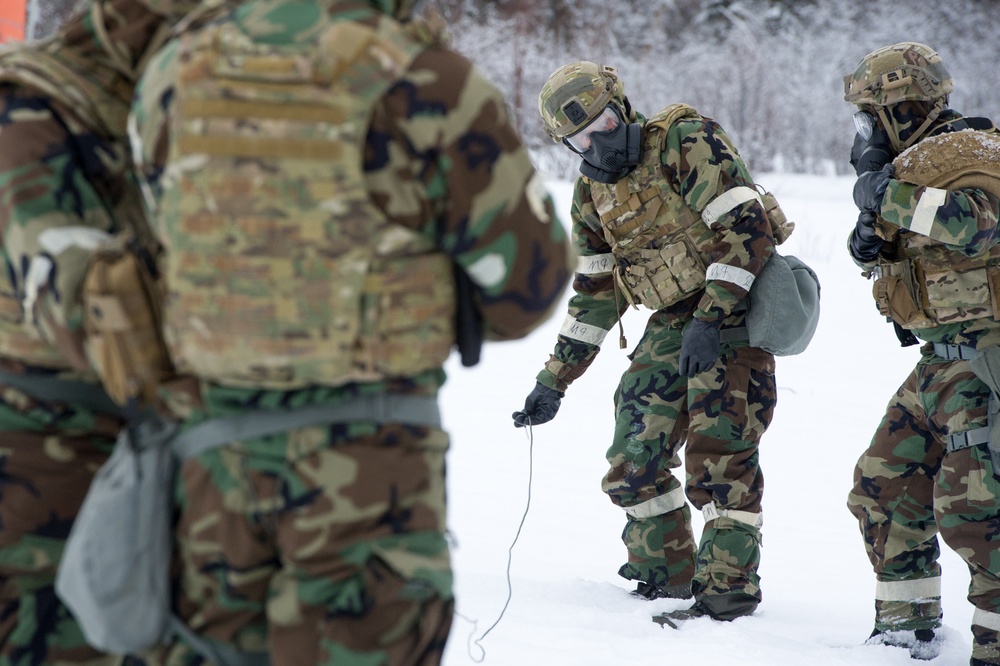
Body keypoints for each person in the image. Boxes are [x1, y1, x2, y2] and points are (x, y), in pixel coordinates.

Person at [125, 0, 573, 663]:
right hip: (368, 466)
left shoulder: (171, 70)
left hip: (209, 466)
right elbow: (528, 285)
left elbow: (156, 242)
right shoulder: (423, 77)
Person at [512, 61, 778, 623]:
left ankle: (726, 594)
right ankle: (667, 575)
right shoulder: (590, 196)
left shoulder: (685, 140)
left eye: (604, 123)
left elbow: (746, 230)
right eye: (580, 137)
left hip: (734, 307)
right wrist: (552, 381)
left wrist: (713, 317)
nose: (597, 141)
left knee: (721, 458)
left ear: (623, 108)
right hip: (671, 321)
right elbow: (594, 294)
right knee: (632, 461)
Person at [0, 1, 198, 663]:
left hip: (149, 476)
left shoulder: (179, 116)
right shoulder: (29, 108)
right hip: (40, 479)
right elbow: (86, 307)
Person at [843, 42, 1000, 664]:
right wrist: (867, 238)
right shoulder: (913, 170)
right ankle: (906, 627)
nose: (863, 131)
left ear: (902, 108)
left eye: (869, 116)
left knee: (977, 509)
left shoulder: (975, 154)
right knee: (884, 483)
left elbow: (972, 225)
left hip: (986, 359)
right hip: (938, 360)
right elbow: (889, 257)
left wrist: (883, 195)